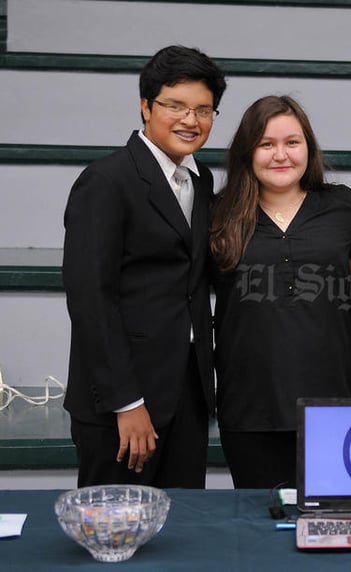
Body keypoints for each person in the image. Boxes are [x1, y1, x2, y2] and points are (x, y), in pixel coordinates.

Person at [62, 45, 227, 488]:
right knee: (115, 538)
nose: (190, 121)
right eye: (175, 106)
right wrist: (126, 402)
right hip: (124, 402)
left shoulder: (202, 178)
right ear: (146, 106)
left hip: (187, 394)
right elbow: (90, 299)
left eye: (204, 110)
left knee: (183, 531)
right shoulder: (106, 181)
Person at [210, 95, 351, 489]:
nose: (281, 155)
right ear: (248, 151)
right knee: (260, 529)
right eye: (266, 144)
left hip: (331, 402)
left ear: (308, 148)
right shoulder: (219, 212)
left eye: (292, 142)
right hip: (249, 403)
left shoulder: (340, 204)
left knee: (331, 523)